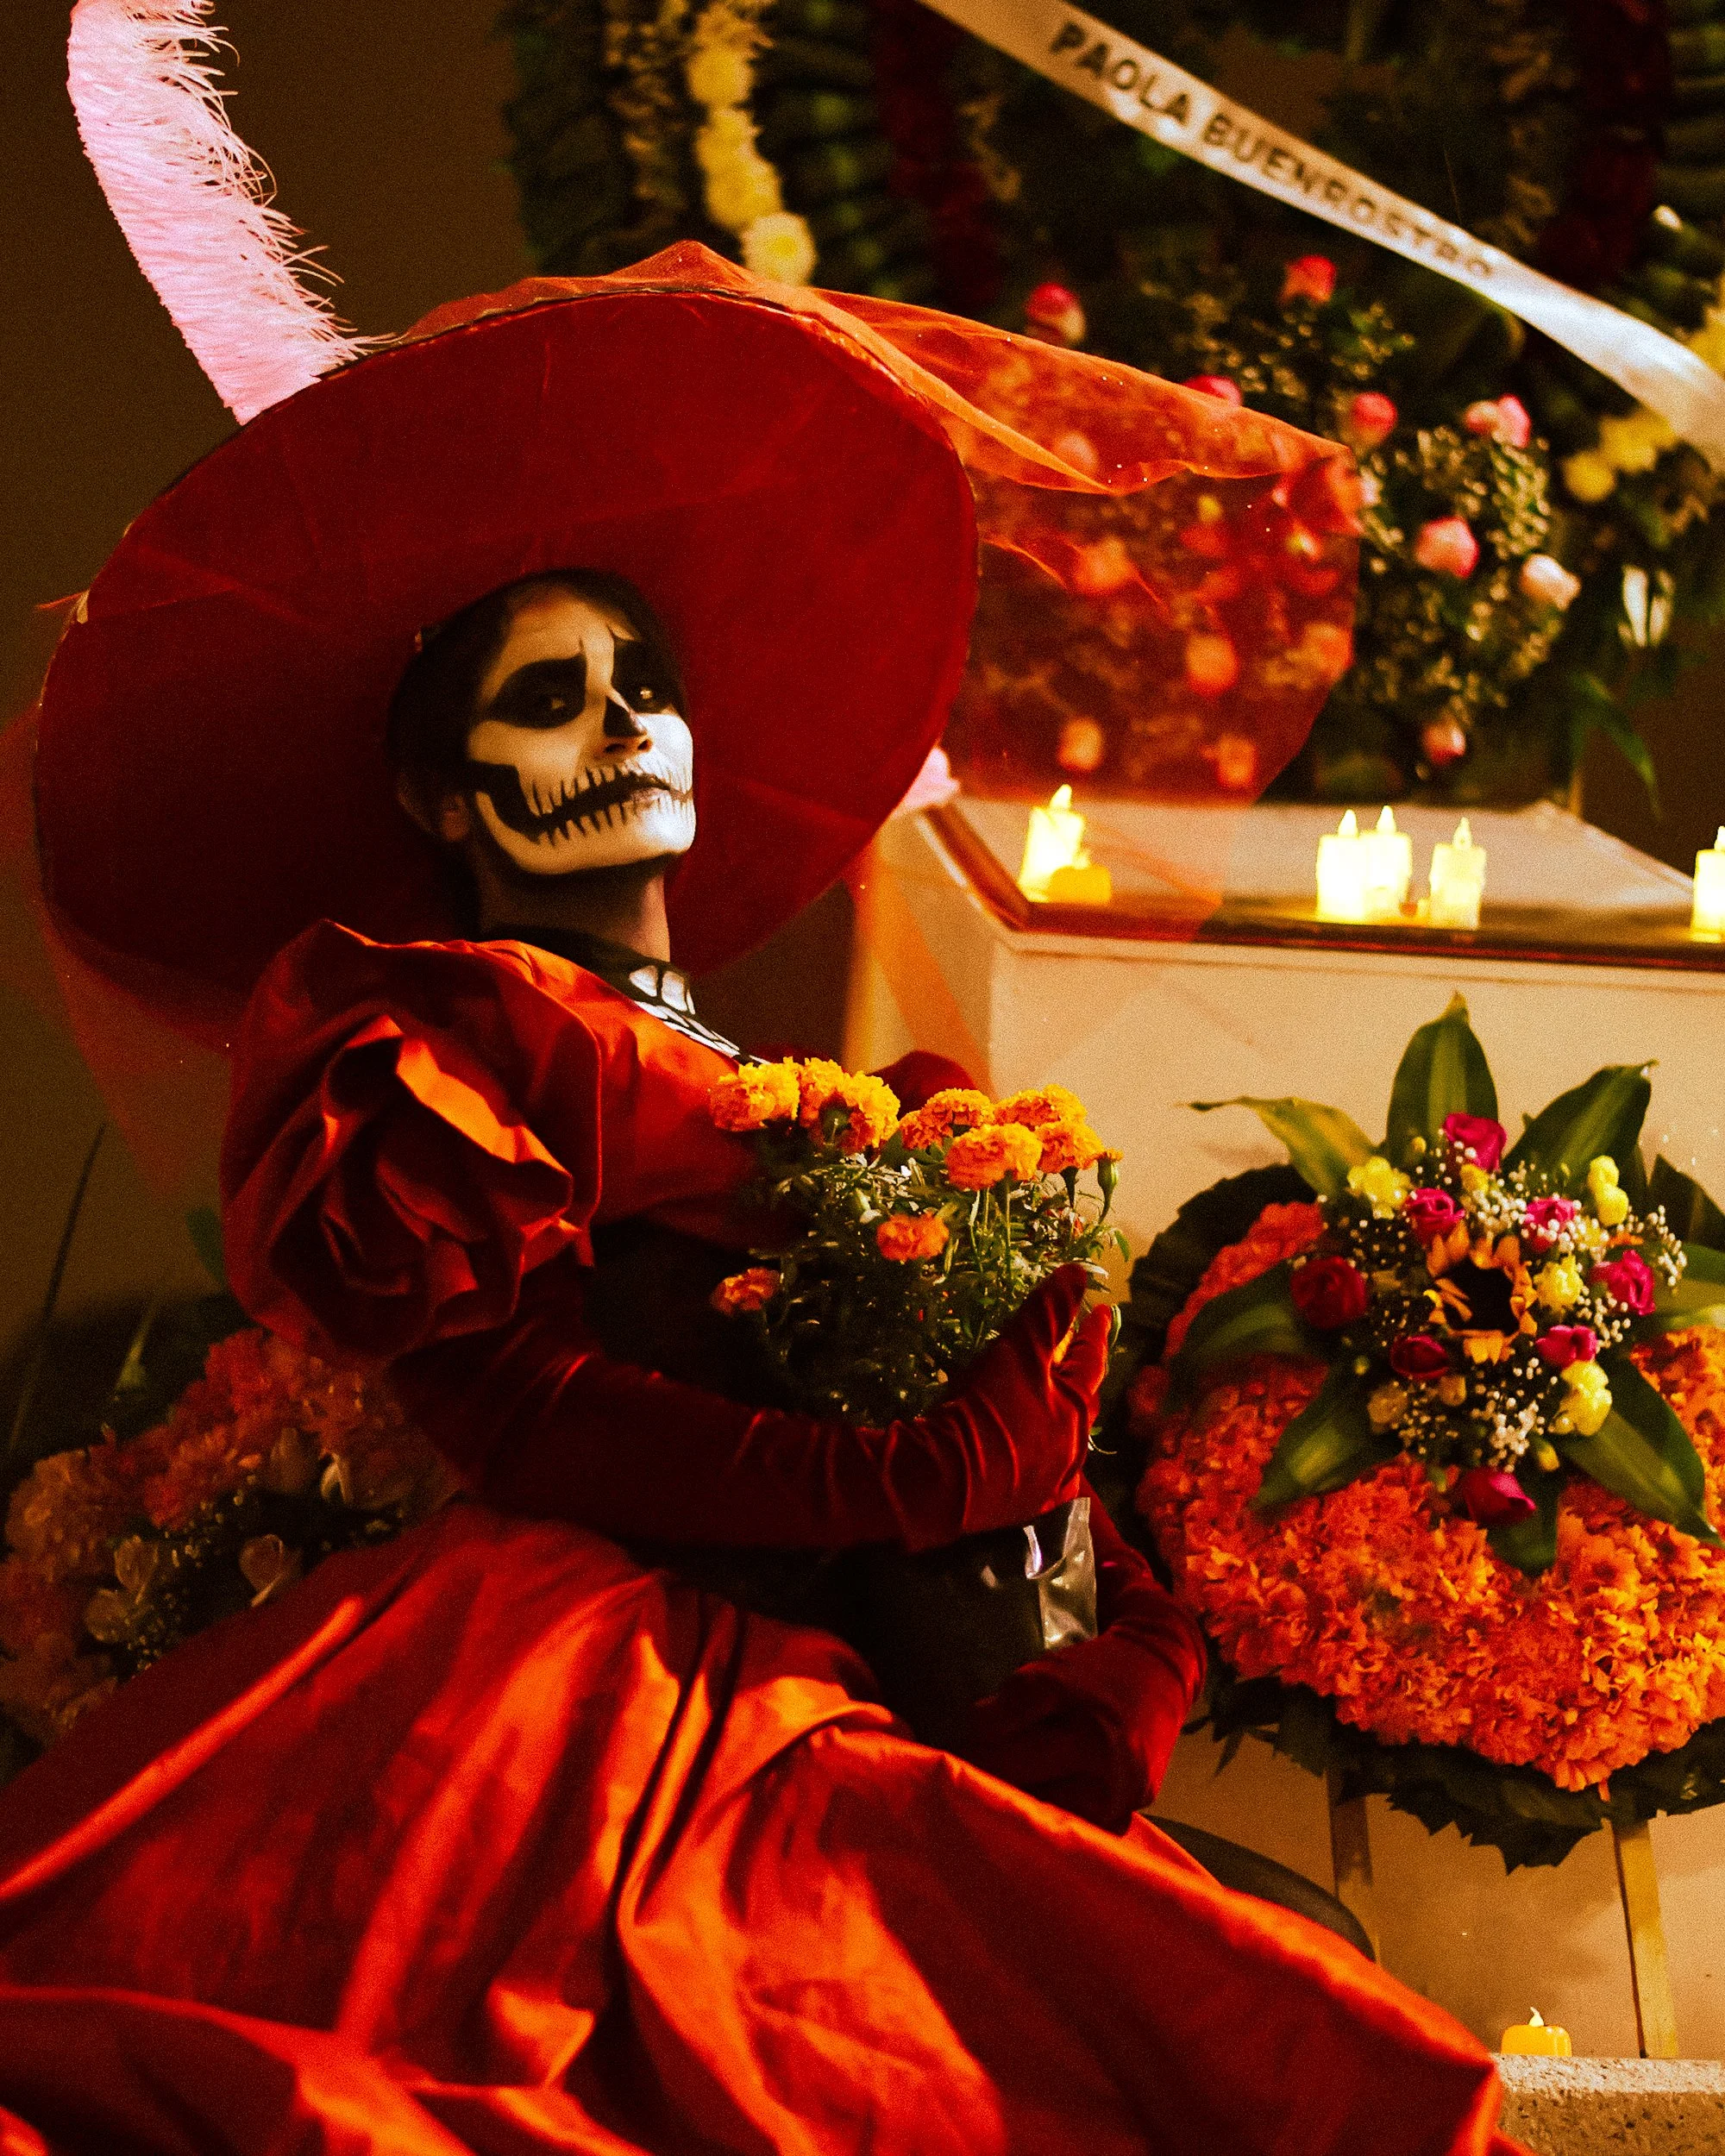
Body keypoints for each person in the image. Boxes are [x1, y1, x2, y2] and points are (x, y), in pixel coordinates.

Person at [0, 23, 1519, 2133]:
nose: (623, 726)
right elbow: (519, 1406)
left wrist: (1062, 1492)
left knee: (1259, 1994)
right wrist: (905, 1481)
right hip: (575, 1674)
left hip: (840, 1646)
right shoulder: (436, 1037)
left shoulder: (818, 1072)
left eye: (648, 683)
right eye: (552, 697)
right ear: (449, 782)